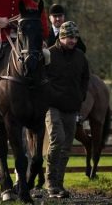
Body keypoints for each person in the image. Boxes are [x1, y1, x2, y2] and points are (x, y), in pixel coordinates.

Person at [44, 21, 89, 199]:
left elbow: (85, 77)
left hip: (72, 107)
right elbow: (41, 77)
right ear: (61, 37)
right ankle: (50, 183)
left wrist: (81, 95)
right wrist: (49, 95)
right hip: (52, 106)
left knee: (67, 147)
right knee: (57, 140)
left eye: (75, 37)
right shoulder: (49, 54)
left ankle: (59, 184)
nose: (73, 40)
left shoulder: (80, 56)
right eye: (70, 37)